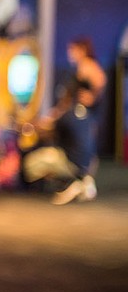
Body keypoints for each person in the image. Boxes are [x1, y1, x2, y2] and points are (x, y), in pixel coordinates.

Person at [23, 36, 106, 204]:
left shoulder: (86, 66)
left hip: (79, 120)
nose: (70, 53)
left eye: (72, 49)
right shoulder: (79, 73)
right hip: (76, 121)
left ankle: (77, 180)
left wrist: (93, 97)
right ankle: (80, 181)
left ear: (81, 50)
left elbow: (99, 81)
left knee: (43, 159)